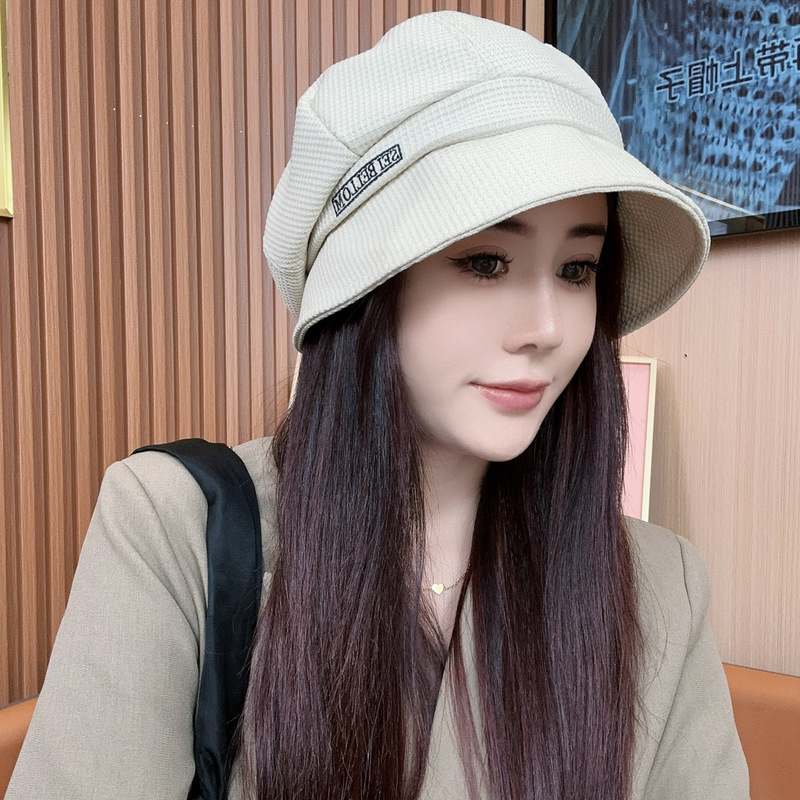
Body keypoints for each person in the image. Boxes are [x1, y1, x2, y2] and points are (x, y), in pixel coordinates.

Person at [7, 11, 749, 800]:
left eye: (576, 269)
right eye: (486, 261)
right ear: (366, 290)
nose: (548, 328)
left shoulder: (659, 588)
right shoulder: (176, 531)